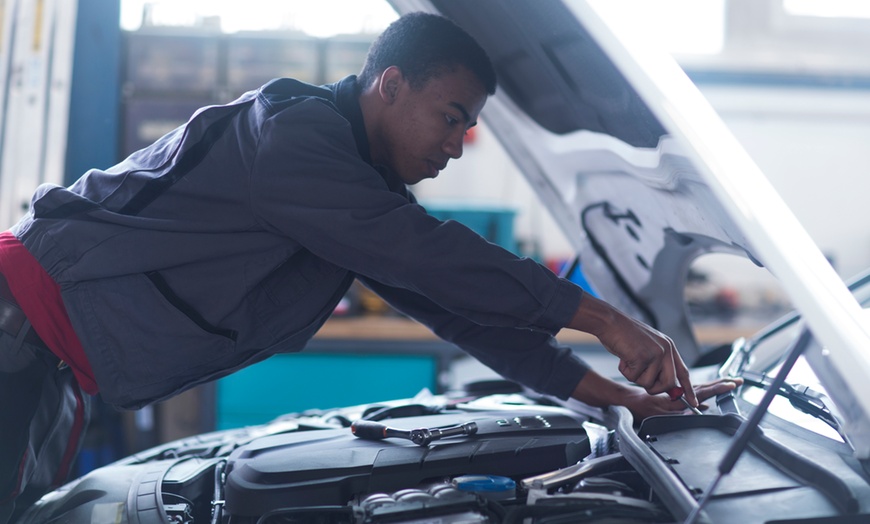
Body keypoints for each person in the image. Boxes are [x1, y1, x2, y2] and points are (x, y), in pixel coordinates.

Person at [0, 12, 739, 521]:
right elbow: (430, 254)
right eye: (451, 116)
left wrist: (618, 399)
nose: (456, 144)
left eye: (469, 126)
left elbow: (456, 308)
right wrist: (608, 320)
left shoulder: (357, 183)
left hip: (50, 358)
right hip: (15, 329)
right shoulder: (295, 141)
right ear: (390, 84)